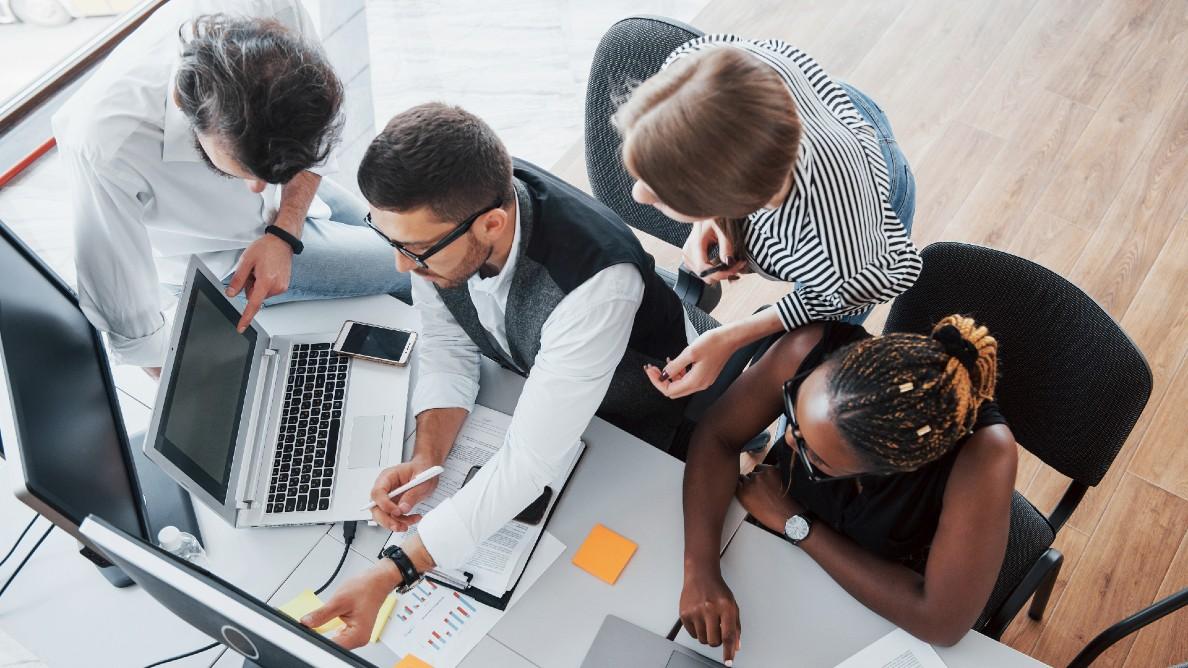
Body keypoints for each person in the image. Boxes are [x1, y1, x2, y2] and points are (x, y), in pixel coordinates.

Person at [302, 103, 693, 647]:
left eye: (415, 251)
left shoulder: (595, 281)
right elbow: (446, 341)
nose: (402, 268)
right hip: (533, 387)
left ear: (492, 224)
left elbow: (532, 461)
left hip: (636, 421)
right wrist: (427, 457)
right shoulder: (450, 217)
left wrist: (394, 570)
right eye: (392, 242)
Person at [52, 1, 410, 376]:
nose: (258, 188)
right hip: (223, 254)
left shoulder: (275, 12)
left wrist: (285, 231)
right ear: (182, 103)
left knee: (421, 245)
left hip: (297, 207)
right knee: (415, 266)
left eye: (268, 173)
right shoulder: (104, 147)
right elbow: (131, 324)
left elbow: (316, 135)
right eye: (239, 171)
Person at [679, 315, 1016, 664]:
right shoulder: (809, 346)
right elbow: (719, 435)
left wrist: (798, 524)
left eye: (816, 457)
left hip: (877, 595)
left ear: (892, 469)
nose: (790, 442)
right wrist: (700, 570)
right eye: (794, 417)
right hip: (770, 554)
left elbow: (942, 622)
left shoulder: (984, 456)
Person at [614, 35, 923, 399]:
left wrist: (733, 336)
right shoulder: (698, 65)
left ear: (739, 196)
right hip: (824, 112)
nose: (638, 194)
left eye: (663, 192)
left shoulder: (837, 249)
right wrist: (708, 220)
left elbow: (844, 294)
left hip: (865, 207)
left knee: (813, 353)